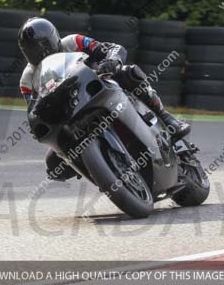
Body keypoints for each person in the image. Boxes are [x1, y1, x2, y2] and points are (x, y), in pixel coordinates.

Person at [17, 17, 190, 181]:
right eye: (34, 50)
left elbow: (111, 48)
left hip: (99, 86)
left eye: (44, 46)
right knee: (53, 164)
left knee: (129, 73)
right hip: (69, 113)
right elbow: (35, 110)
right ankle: (102, 173)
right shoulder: (27, 79)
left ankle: (166, 117)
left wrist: (112, 60)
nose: (42, 53)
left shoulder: (74, 41)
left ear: (54, 38)